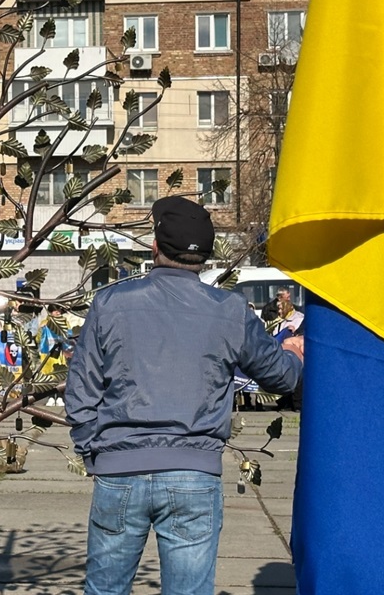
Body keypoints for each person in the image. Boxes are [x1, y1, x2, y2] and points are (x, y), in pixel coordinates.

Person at [65, 196, 304, 595]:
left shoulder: (111, 304)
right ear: (206, 257)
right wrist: (295, 357)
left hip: (119, 469)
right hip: (194, 473)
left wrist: (95, 453)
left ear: (155, 247)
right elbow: (279, 377)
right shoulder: (230, 309)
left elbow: (81, 389)